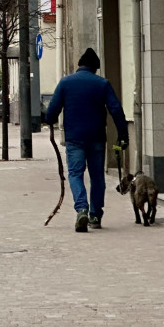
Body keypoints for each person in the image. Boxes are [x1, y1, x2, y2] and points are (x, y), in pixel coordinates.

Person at [44, 47, 129, 232]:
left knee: (75, 173)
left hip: (74, 138)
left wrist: (49, 119)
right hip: (97, 137)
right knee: (97, 176)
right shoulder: (102, 84)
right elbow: (116, 109)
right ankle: (95, 214)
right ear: (95, 68)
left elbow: (52, 110)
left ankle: (81, 208)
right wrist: (123, 134)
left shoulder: (66, 83)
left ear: (79, 65)